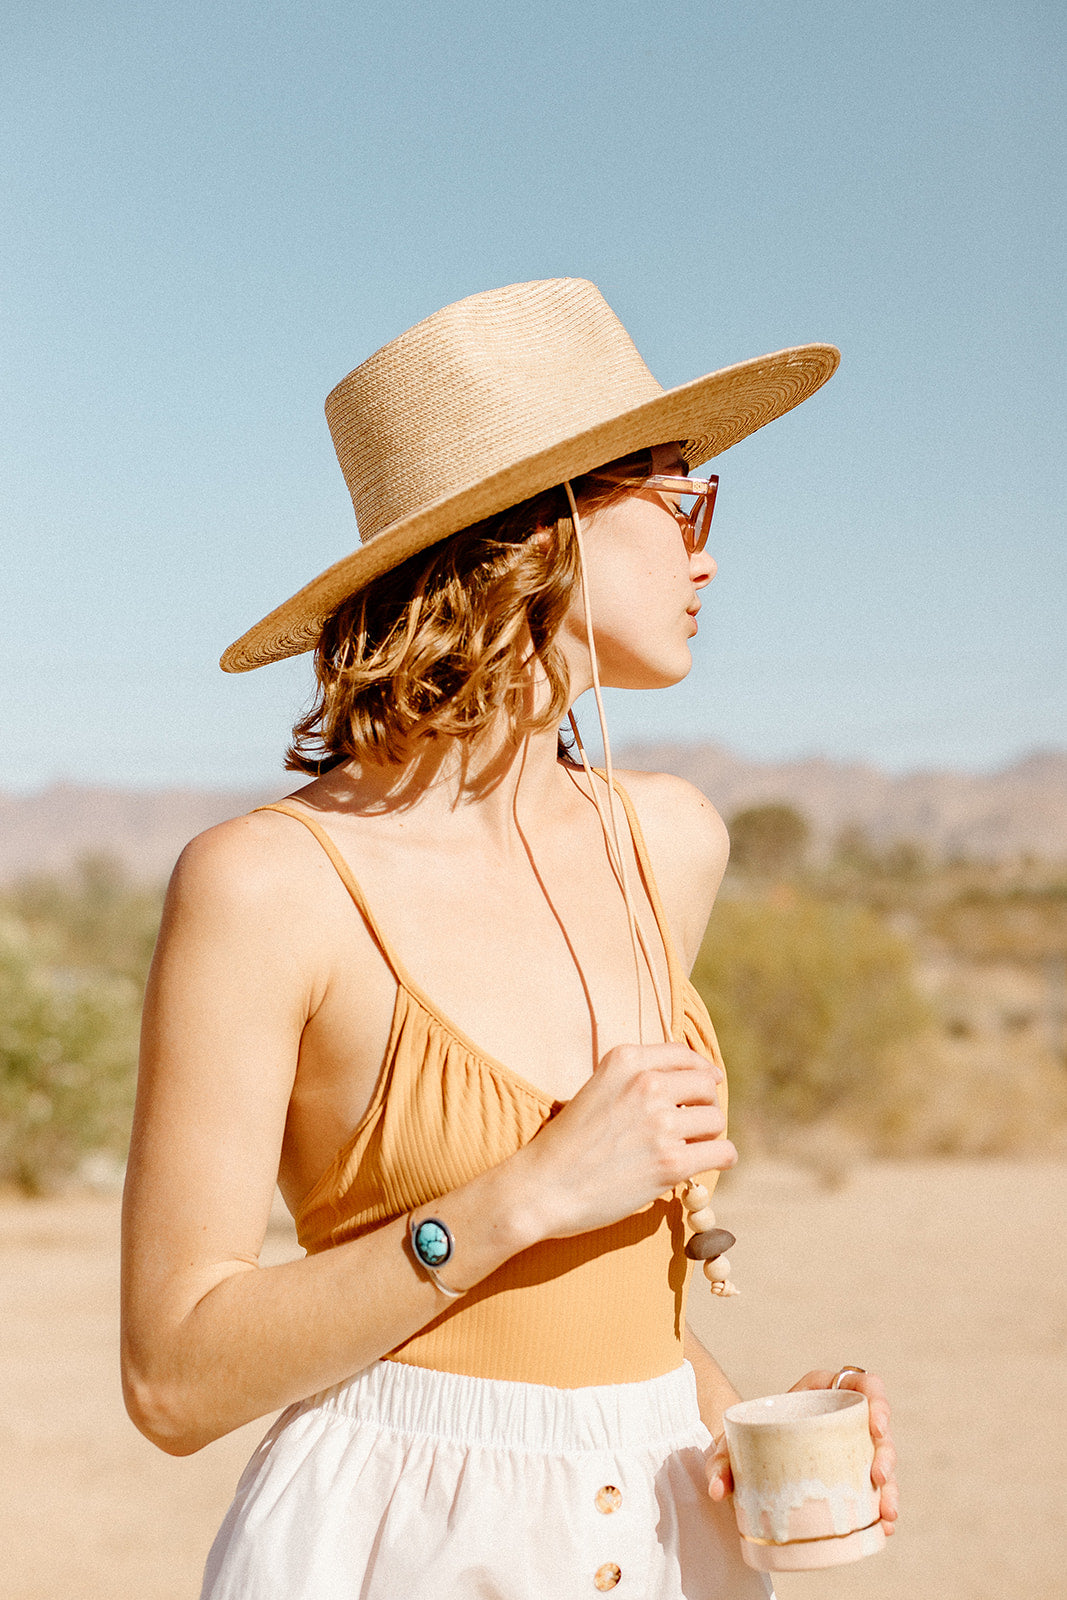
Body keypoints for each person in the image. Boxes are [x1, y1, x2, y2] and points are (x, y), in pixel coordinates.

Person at [120, 278, 898, 1599]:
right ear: (542, 526)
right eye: (679, 498)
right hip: (395, 1545)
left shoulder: (669, 845)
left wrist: (743, 1433)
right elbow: (173, 1377)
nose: (709, 553)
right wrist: (524, 1195)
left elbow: (614, 1318)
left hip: (668, 1546)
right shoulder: (269, 885)